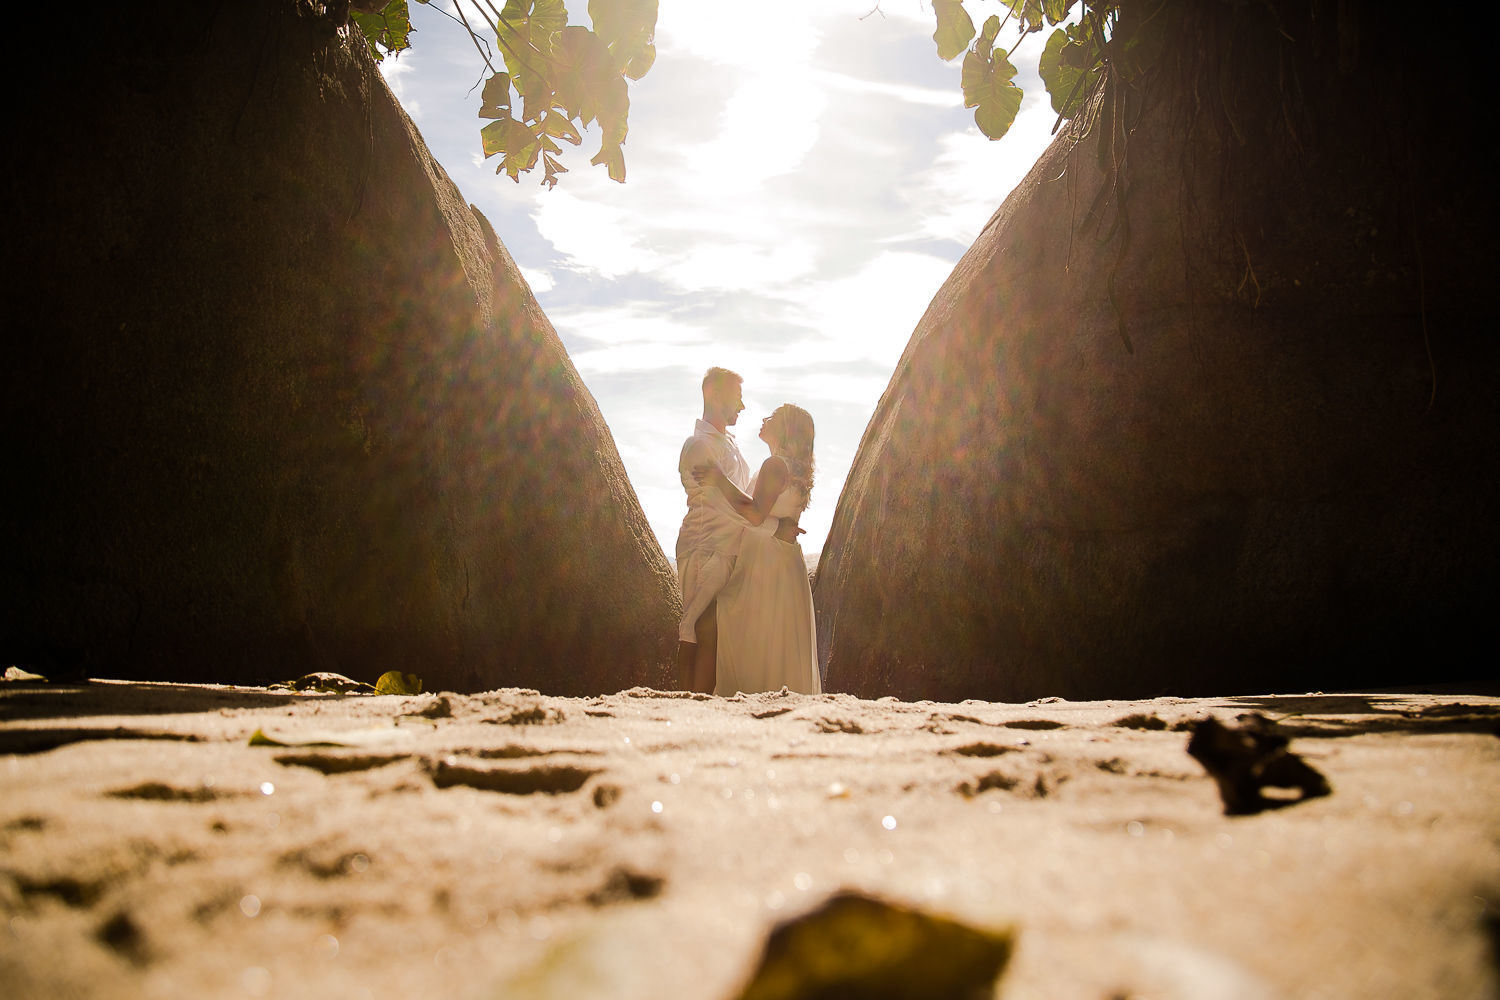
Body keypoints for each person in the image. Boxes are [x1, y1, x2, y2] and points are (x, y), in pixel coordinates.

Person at [695, 404, 820, 696]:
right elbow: (772, 519)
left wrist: (717, 480)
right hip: (783, 565)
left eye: (773, 417)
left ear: (786, 428)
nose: (764, 419)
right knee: (776, 645)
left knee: (749, 638)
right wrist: (777, 527)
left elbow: (753, 514)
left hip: (765, 565)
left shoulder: (776, 465)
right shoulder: (794, 468)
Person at [674, 367, 755, 694]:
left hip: (729, 547)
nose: (743, 406)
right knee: (698, 626)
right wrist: (771, 522)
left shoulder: (728, 444)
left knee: (715, 633)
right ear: (715, 395)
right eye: (737, 397)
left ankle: (700, 703)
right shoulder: (698, 445)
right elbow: (731, 503)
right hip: (705, 547)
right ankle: (687, 703)